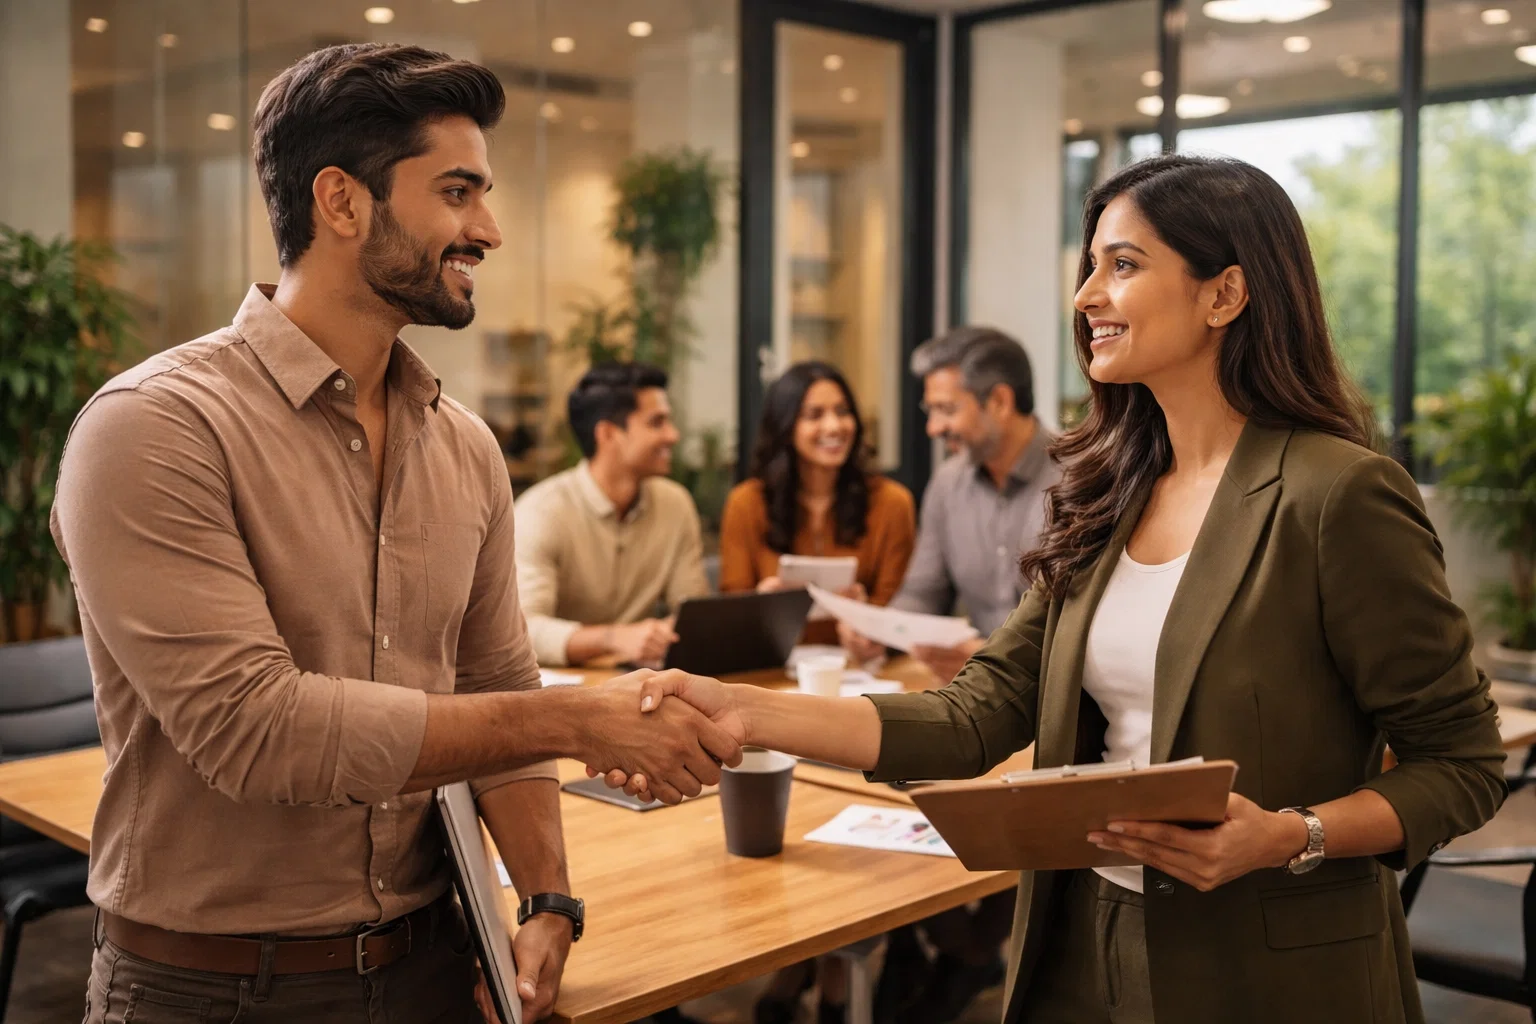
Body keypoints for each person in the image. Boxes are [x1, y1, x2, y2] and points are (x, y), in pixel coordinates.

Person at [604, 154, 1509, 1024]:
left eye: (1123, 265)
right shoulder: (1109, 490)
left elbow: (1464, 765)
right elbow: (972, 717)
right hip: (1081, 937)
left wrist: (1287, 834)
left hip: (1266, 964)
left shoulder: (1336, 494)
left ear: (1224, 293)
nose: (1086, 298)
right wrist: (739, 713)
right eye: (1089, 268)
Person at [50, 44, 738, 1024]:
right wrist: (580, 715)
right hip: (209, 989)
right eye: (457, 193)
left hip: (435, 969)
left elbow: (499, 684)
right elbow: (259, 731)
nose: (488, 229)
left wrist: (547, 896)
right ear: (341, 202)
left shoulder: (466, 449)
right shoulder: (151, 428)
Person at [835, 326, 1060, 1023]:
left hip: (1049, 710)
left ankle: (962, 951)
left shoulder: (1083, 480)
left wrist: (987, 655)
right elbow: (919, 597)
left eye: (944, 410)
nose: (933, 428)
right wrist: (876, 633)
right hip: (969, 698)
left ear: (997, 400)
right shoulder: (947, 486)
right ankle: (928, 942)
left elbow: (1087, 631)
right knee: (880, 774)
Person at [514, 361, 708, 667]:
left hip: (644, 686)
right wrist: (614, 638)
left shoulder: (675, 504)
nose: (673, 435)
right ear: (607, 434)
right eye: (656, 423)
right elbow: (523, 632)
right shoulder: (540, 514)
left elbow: (694, 613)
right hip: (558, 694)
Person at [719, 361, 916, 647]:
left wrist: (867, 615)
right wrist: (759, 606)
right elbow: (729, 614)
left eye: (842, 411)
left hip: (863, 671)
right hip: (772, 666)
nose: (834, 426)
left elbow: (900, 609)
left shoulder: (892, 503)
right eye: (814, 415)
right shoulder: (747, 503)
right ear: (785, 426)